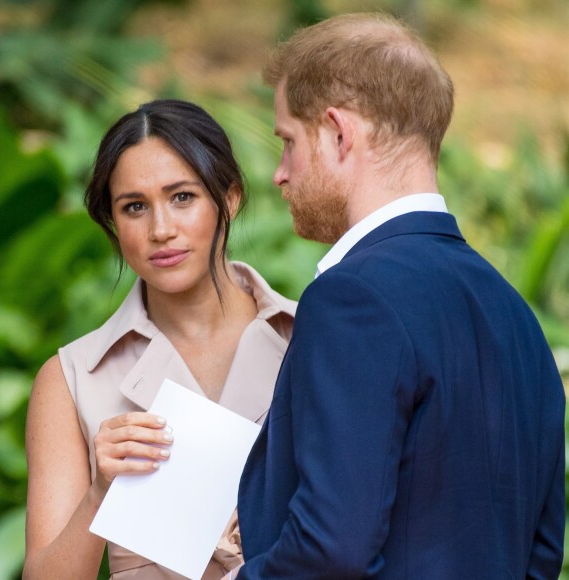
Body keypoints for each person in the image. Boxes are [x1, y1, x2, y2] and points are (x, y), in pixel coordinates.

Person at [235, 13, 566, 579]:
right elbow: (541, 554)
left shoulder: (352, 298)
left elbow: (331, 549)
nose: (279, 175)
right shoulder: (515, 315)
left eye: (288, 142)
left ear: (339, 134)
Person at [24, 99, 297, 580]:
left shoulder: (310, 339)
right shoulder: (71, 379)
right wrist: (101, 492)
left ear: (229, 198)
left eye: (183, 197)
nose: (161, 230)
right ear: (112, 223)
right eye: (134, 207)